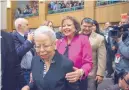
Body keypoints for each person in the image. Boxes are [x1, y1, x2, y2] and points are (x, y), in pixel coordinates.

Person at [21, 26, 80, 90]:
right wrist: (28, 87)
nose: (41, 50)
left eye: (45, 46)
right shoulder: (35, 60)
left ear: (55, 44)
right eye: (37, 46)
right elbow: (37, 82)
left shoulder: (66, 64)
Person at [56, 16, 93, 90]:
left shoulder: (83, 39)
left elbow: (88, 63)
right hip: (61, 82)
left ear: (75, 27)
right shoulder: (59, 42)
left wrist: (80, 72)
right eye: (64, 26)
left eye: (69, 25)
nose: (66, 27)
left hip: (77, 82)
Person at [80, 18, 106, 90]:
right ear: (81, 25)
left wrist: (100, 74)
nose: (87, 28)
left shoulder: (99, 38)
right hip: (76, 71)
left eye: (89, 26)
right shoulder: (75, 36)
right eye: (85, 26)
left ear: (92, 26)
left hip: (91, 73)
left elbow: (102, 58)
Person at [12, 18, 34, 85]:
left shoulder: (26, 37)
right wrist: (29, 41)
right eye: (26, 25)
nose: (28, 27)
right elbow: (18, 52)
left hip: (31, 71)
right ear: (19, 26)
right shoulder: (13, 37)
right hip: (22, 72)